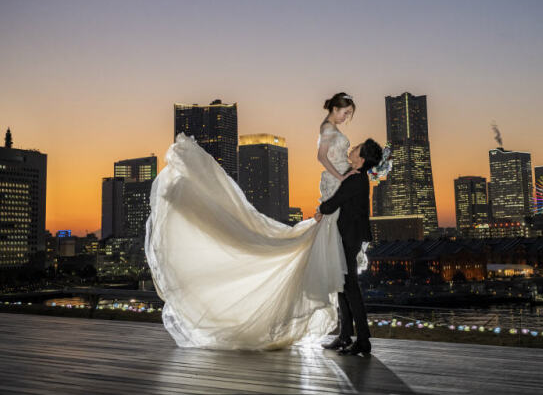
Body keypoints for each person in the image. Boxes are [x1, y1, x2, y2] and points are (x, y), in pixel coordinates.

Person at [143, 92, 365, 350]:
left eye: (349, 114)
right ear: (335, 108)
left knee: (334, 264)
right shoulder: (327, 128)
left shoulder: (332, 129)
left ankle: (346, 334)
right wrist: (342, 176)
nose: (346, 117)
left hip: (336, 187)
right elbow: (321, 157)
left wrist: (348, 175)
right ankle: (347, 335)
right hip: (334, 185)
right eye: (345, 112)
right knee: (334, 264)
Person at [315, 138, 383, 356]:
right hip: (348, 235)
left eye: (356, 148)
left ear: (361, 159)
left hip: (349, 237)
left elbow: (336, 200)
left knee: (350, 286)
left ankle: (362, 339)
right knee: (343, 285)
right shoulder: (356, 177)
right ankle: (345, 336)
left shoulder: (356, 180)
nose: (351, 149)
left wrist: (320, 210)